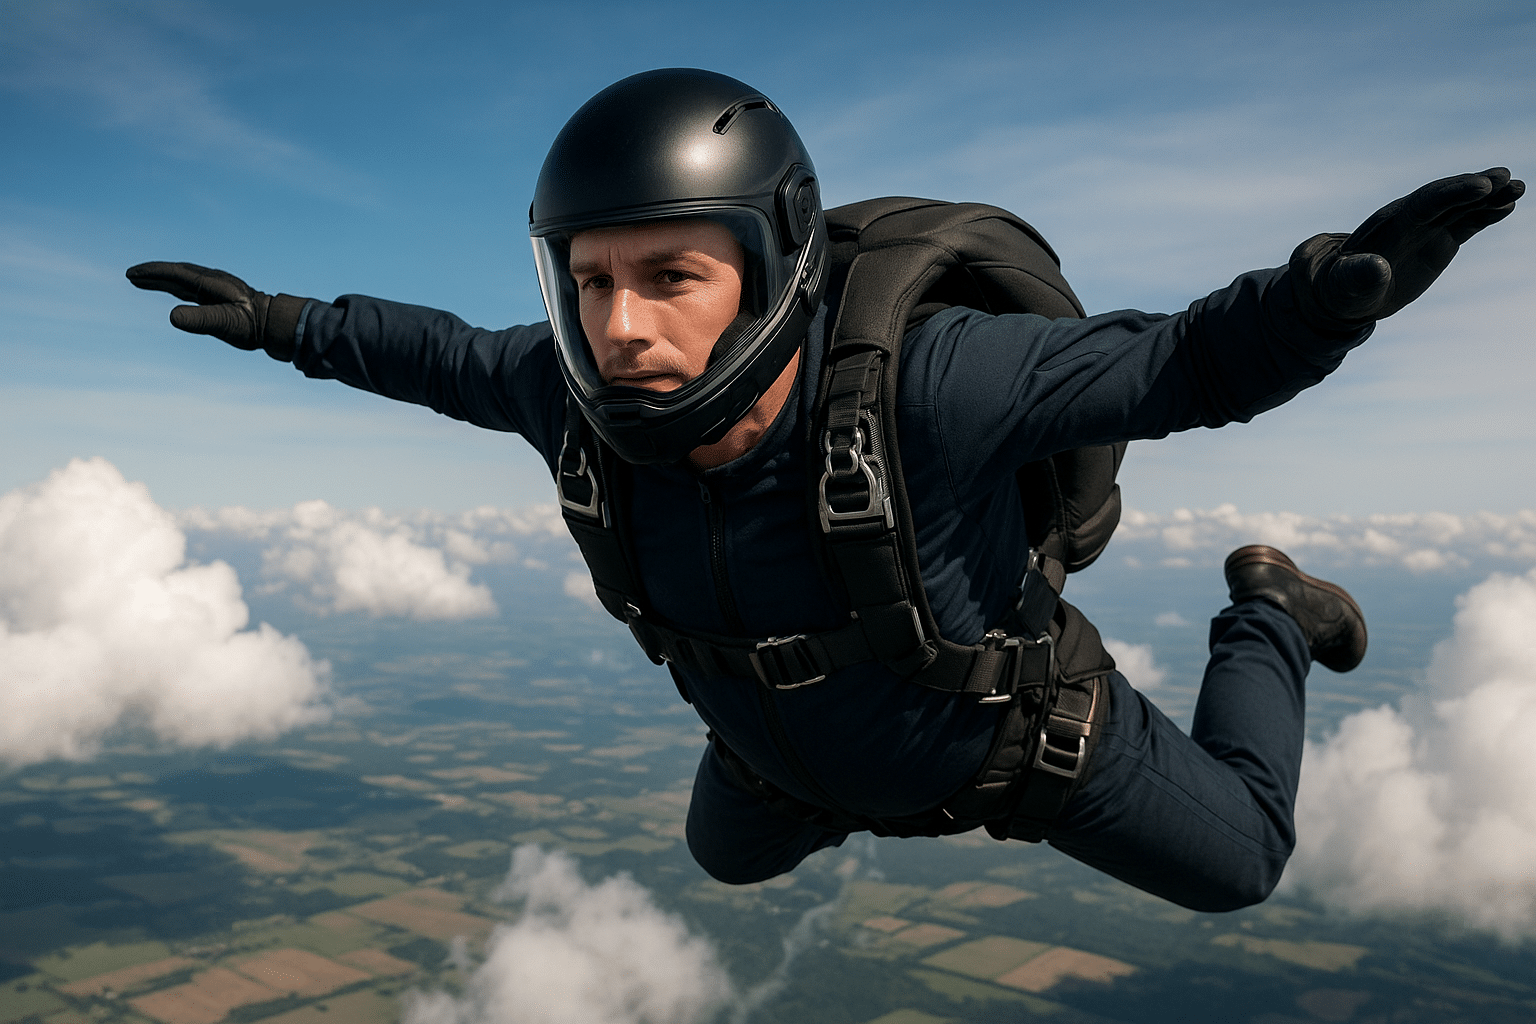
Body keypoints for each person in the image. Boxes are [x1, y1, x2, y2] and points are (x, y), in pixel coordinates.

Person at [128, 69, 1522, 912]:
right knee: (726, 861)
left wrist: (1327, 304)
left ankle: (1268, 608)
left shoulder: (935, 382)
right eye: (591, 279)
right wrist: (281, 319)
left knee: (1243, 866)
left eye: (670, 275)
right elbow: (428, 352)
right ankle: (806, 767)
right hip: (776, 751)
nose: (619, 328)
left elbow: (1178, 365)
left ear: (772, 263)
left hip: (1013, 742)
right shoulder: (573, 401)